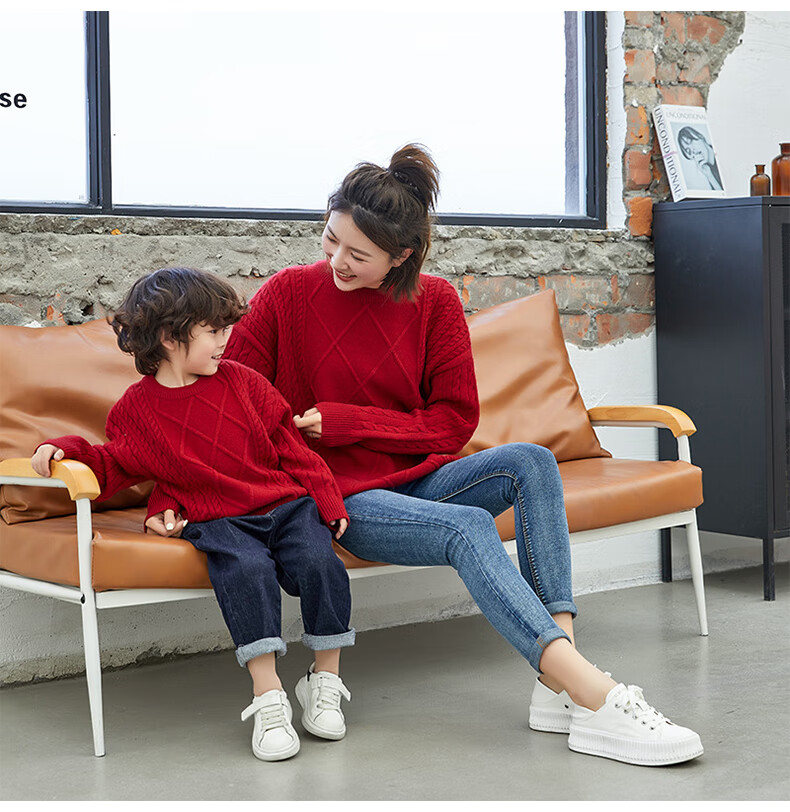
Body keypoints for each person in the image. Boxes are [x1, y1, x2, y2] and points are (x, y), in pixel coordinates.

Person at [223, 144, 704, 767]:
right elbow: (231, 400)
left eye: (358, 254)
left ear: (402, 255)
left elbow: (453, 423)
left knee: (530, 461)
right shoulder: (289, 294)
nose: (337, 260)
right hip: (340, 498)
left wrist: (348, 421)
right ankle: (592, 693)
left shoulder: (436, 303)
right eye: (331, 239)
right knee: (468, 526)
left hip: (419, 480)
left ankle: (557, 684)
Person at [30, 267, 355, 763]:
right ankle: (268, 696)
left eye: (227, 328)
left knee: (320, 562)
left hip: (286, 506)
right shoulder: (137, 410)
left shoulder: (246, 383)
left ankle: (324, 680)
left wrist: (327, 501)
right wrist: (64, 448)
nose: (226, 339)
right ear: (169, 336)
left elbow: (292, 449)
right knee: (245, 569)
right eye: (214, 330)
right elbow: (112, 464)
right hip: (218, 519)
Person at [677, 126, 723, 190]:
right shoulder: (709, 171)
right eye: (688, 150)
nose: (692, 150)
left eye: (690, 141)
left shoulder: (721, 150)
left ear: (700, 137)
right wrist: (710, 176)